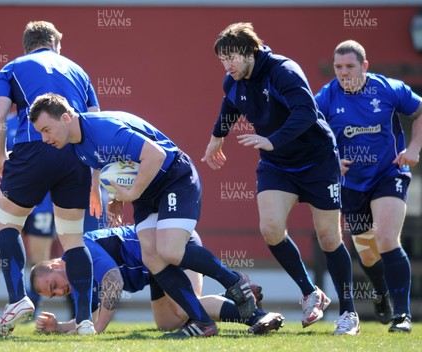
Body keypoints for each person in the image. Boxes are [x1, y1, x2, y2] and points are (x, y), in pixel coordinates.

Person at [29, 93, 257, 339]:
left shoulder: (103, 129)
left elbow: (156, 155)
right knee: (152, 257)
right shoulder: (76, 144)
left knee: (169, 251)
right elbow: (115, 164)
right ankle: (203, 323)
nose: (45, 138)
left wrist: (131, 194)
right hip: (147, 190)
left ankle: (234, 282)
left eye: (46, 130)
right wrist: (114, 197)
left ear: (65, 118)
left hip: (173, 177)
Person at [200, 22, 359, 335]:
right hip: (277, 165)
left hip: (317, 161)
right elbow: (231, 105)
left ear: (250, 52)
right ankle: (310, 292)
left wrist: (271, 140)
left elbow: (306, 113)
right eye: (222, 59)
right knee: (270, 228)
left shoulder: (282, 70)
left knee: (329, 237)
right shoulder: (232, 81)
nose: (227, 65)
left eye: (232, 57)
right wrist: (216, 137)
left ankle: (349, 313)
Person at [0, 21, 100, 336]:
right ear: (56, 44)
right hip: (75, 153)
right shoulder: (79, 71)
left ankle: (16, 299)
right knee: (73, 239)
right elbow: (96, 125)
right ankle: (85, 321)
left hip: (32, 148)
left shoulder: (12, 68)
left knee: (8, 226)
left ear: (27, 46)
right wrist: (95, 179)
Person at [315, 40, 421, 333]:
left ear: (364, 66)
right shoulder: (325, 97)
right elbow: (307, 130)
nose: (343, 73)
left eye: (350, 66)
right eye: (338, 67)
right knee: (368, 253)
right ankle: (381, 291)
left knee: (387, 238)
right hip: (351, 185)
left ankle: (402, 316)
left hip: (389, 174)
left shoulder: (388, 89)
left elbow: (420, 110)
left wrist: (414, 148)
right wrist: (329, 160)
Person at [31, 225, 283, 335]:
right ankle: (232, 299)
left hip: (169, 248)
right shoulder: (78, 283)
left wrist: (99, 329)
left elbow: (114, 280)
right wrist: (60, 326)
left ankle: (257, 316)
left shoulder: (81, 249)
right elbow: (87, 319)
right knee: (167, 322)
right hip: (155, 271)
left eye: (53, 285)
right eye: (53, 295)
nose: (59, 292)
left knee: (185, 309)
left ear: (56, 264)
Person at [0, 113, 58, 315]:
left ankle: (33, 308)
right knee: (9, 250)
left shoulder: (48, 121)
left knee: (40, 261)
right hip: (13, 200)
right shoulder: (6, 124)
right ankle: (18, 299)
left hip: (44, 203)